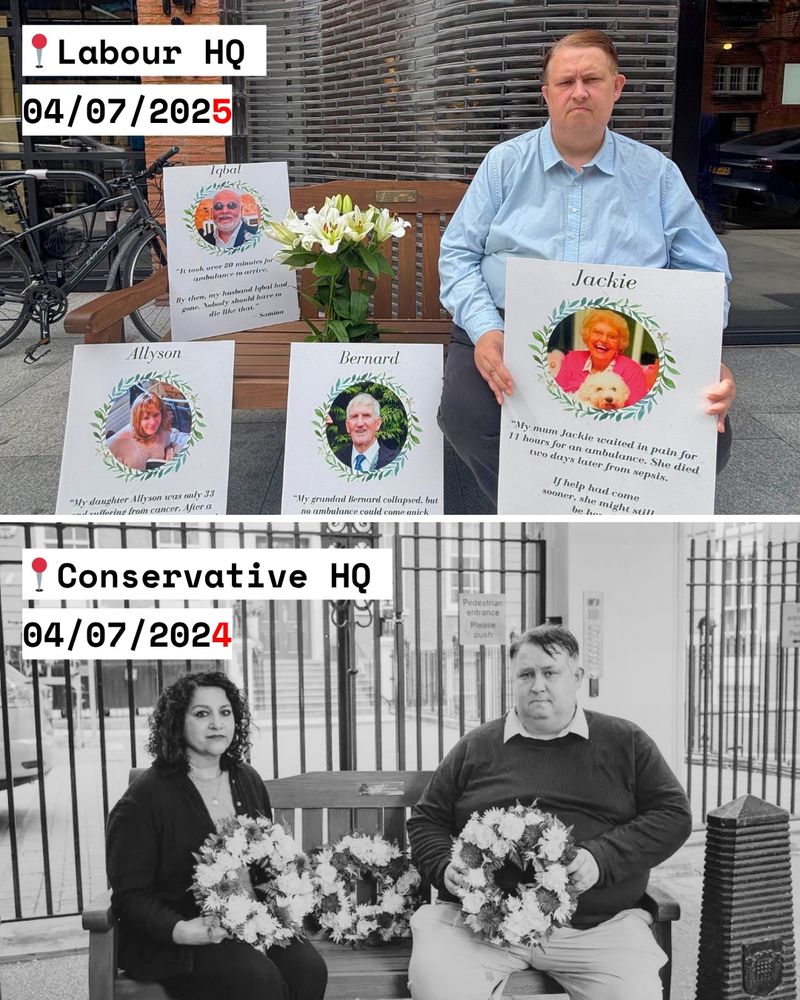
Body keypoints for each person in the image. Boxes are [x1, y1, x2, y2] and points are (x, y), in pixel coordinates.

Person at [438, 29, 736, 509]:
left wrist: (704, 352)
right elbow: (457, 256)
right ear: (547, 94)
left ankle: (609, 515)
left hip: (630, 339)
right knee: (468, 418)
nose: (579, 91)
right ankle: (534, 513)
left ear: (617, 87)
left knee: (708, 440)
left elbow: (705, 274)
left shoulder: (657, 175)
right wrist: (485, 329)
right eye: (565, 81)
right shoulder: (504, 165)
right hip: (507, 328)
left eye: (592, 79)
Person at [406, 624, 692, 1000]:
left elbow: (673, 814)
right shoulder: (476, 747)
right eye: (526, 674)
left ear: (576, 677)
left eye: (549, 672)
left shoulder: (626, 742)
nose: (537, 685)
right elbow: (428, 819)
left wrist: (600, 858)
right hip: (477, 930)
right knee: (438, 985)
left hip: (597, 930)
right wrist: (444, 868)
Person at [106, 670, 328, 1000]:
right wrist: (181, 931)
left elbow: (264, 858)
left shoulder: (247, 779)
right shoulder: (144, 798)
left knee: (309, 970)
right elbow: (130, 895)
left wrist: (289, 891)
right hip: (184, 933)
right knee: (259, 981)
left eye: (225, 713)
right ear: (177, 722)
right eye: (201, 714)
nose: (217, 723)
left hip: (253, 921)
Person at [554, 307, 648, 405]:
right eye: (597, 333)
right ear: (588, 336)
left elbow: (633, 412)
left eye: (612, 336)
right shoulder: (572, 359)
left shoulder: (633, 371)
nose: (603, 340)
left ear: (619, 343)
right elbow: (556, 396)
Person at [107, 391, 185, 472]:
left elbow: (169, 443)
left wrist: (169, 451)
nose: (153, 422)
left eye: (156, 415)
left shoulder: (163, 429)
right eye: (146, 418)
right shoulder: (115, 445)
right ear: (137, 419)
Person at [334, 393, 399, 472]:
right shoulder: (334, 459)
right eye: (354, 417)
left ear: (378, 424)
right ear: (347, 426)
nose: (359, 424)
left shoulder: (396, 460)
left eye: (366, 416)